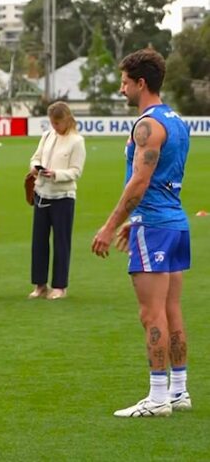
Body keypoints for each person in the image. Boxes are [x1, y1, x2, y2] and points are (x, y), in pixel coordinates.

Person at [92, 49, 192, 417]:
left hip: (154, 227)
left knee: (151, 314)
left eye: (124, 82)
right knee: (172, 309)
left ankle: (157, 397)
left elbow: (140, 182)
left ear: (141, 83)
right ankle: (179, 391)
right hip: (176, 224)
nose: (121, 90)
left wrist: (110, 225)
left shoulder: (147, 126)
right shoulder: (177, 121)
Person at [28, 102, 86, 300]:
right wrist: (37, 167)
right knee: (39, 241)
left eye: (58, 123)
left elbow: (76, 171)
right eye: (52, 122)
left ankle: (60, 286)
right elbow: (35, 157)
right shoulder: (47, 136)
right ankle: (40, 284)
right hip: (41, 193)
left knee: (61, 242)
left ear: (67, 119)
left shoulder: (76, 141)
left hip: (63, 196)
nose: (55, 126)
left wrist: (56, 174)